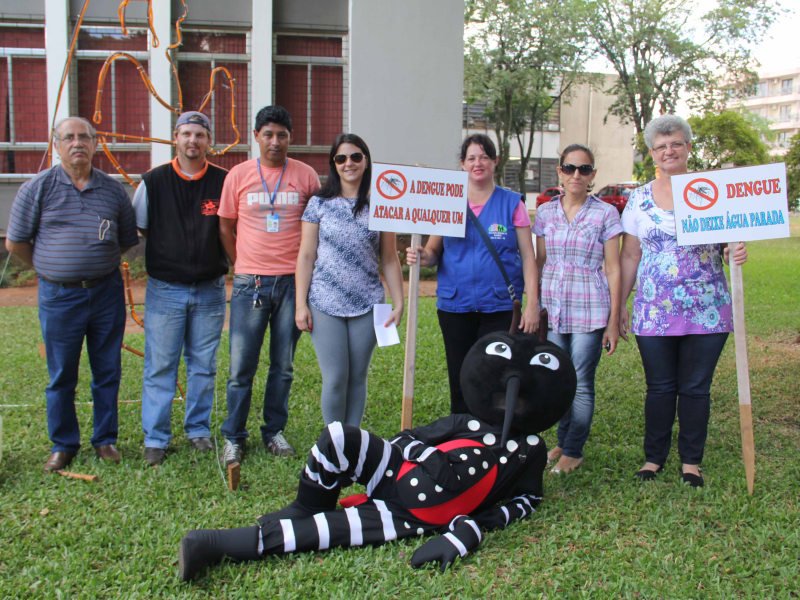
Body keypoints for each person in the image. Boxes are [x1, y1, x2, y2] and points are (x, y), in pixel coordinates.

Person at [177, 330, 577, 582]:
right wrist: (427, 458)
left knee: (321, 534)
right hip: (397, 471)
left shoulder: (531, 451)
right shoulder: (463, 421)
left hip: (415, 516)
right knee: (338, 436)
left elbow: (528, 499)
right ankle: (307, 503)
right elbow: (406, 437)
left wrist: (471, 529)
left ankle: (210, 545)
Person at [619, 114, 748, 487]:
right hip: (654, 310)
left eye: (676, 143)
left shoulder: (710, 191)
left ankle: (691, 462)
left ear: (688, 147)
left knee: (695, 388)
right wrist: (621, 305)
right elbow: (630, 255)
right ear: (651, 153)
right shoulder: (638, 199)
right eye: (661, 146)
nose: (669, 150)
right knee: (659, 387)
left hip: (707, 308)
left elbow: (729, 242)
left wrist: (735, 251)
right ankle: (653, 458)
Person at [5, 116, 138, 472]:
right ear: (56, 144)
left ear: (95, 144)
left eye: (84, 137)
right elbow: (15, 242)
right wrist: (50, 267)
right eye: (69, 137)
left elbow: (126, 240)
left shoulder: (113, 191)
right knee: (62, 373)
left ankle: (105, 440)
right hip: (59, 297)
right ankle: (63, 444)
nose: (77, 143)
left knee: (107, 368)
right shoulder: (36, 188)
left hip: (106, 293)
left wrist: (92, 264)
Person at [406, 134, 539, 414]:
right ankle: (463, 432)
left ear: (495, 162)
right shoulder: (449, 201)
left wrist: (532, 305)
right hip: (455, 307)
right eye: (471, 158)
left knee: (496, 376)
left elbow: (529, 256)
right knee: (460, 377)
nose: (478, 163)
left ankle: (494, 433)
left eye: (484, 157)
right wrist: (422, 256)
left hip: (500, 307)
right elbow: (433, 252)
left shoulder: (512, 203)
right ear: (462, 164)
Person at [218, 106, 320, 465]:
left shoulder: (306, 176)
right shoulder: (239, 175)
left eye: (282, 135)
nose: (275, 141)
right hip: (251, 284)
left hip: (293, 284)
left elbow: (318, 225)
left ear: (290, 138)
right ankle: (234, 436)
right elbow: (225, 226)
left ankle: (273, 431)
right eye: (268, 134)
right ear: (256, 136)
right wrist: (242, 263)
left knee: (283, 366)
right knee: (240, 368)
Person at [132, 111, 229, 466]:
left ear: (209, 142)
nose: (193, 140)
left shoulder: (224, 181)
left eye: (200, 135)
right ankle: (156, 438)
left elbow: (230, 227)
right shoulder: (153, 182)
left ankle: (198, 431)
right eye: (186, 133)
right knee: (160, 366)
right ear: (175, 138)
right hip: (165, 290)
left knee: (203, 365)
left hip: (210, 290)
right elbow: (142, 227)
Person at [295, 133, 404, 427]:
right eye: (341, 158)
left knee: (357, 377)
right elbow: (306, 256)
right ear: (334, 163)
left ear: (366, 161)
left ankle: (352, 440)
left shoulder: (381, 204)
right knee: (335, 378)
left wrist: (399, 302)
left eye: (356, 156)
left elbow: (389, 258)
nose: (349, 163)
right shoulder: (318, 204)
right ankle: (335, 441)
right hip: (324, 302)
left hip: (368, 303)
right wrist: (300, 304)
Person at [532, 144, 622, 475]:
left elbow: (613, 268)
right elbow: (539, 262)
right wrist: (533, 304)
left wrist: (614, 320)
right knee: (559, 379)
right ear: (560, 171)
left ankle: (574, 450)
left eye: (584, 169)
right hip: (553, 309)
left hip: (590, 310)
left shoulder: (606, 214)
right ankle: (562, 441)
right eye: (569, 168)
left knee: (581, 381)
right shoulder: (545, 213)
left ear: (592, 174)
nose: (576, 175)